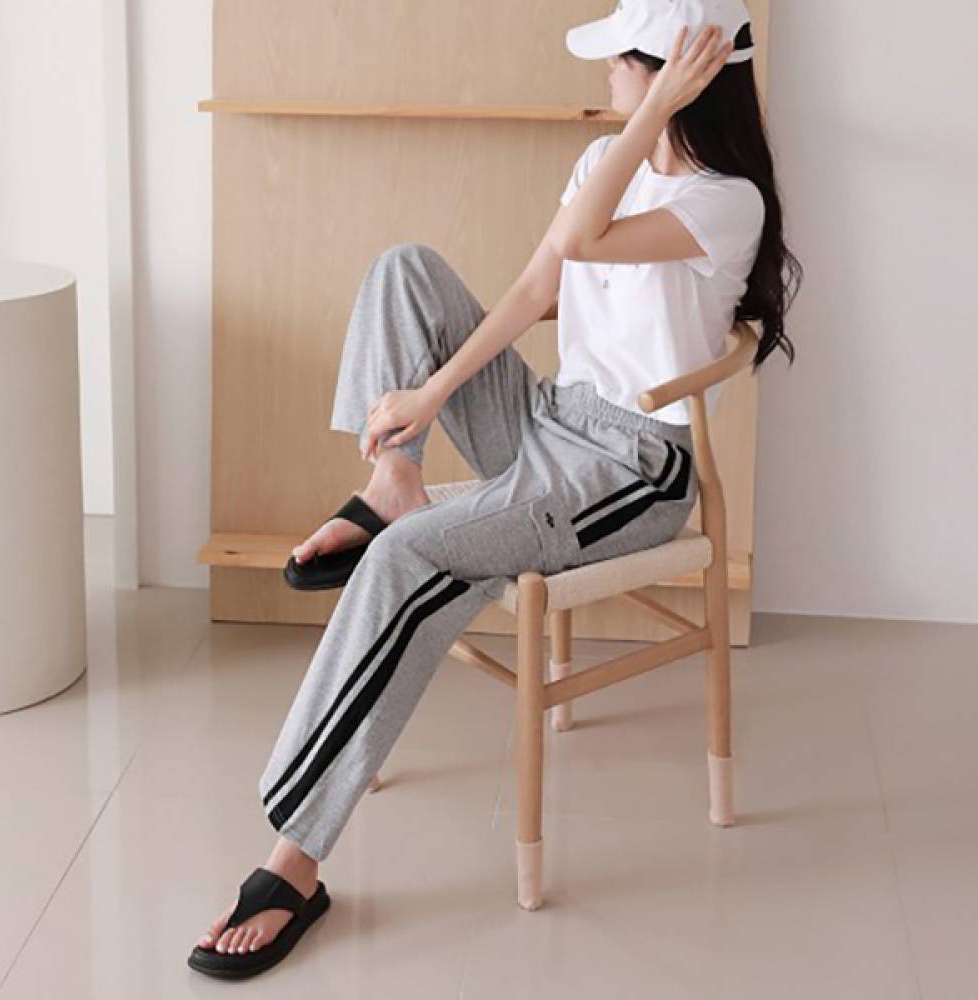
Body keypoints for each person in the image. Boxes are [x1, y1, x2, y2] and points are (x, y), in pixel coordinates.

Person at [188, 0, 801, 979]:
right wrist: (428, 399)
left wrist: (652, 117)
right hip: (549, 417)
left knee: (409, 562)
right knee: (406, 273)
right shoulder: (604, 163)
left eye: (621, 63)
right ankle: (393, 483)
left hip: (631, 467)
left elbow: (585, 244)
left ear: (673, 76)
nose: (606, 77)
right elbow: (531, 289)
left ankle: (293, 860)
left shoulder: (728, 201)